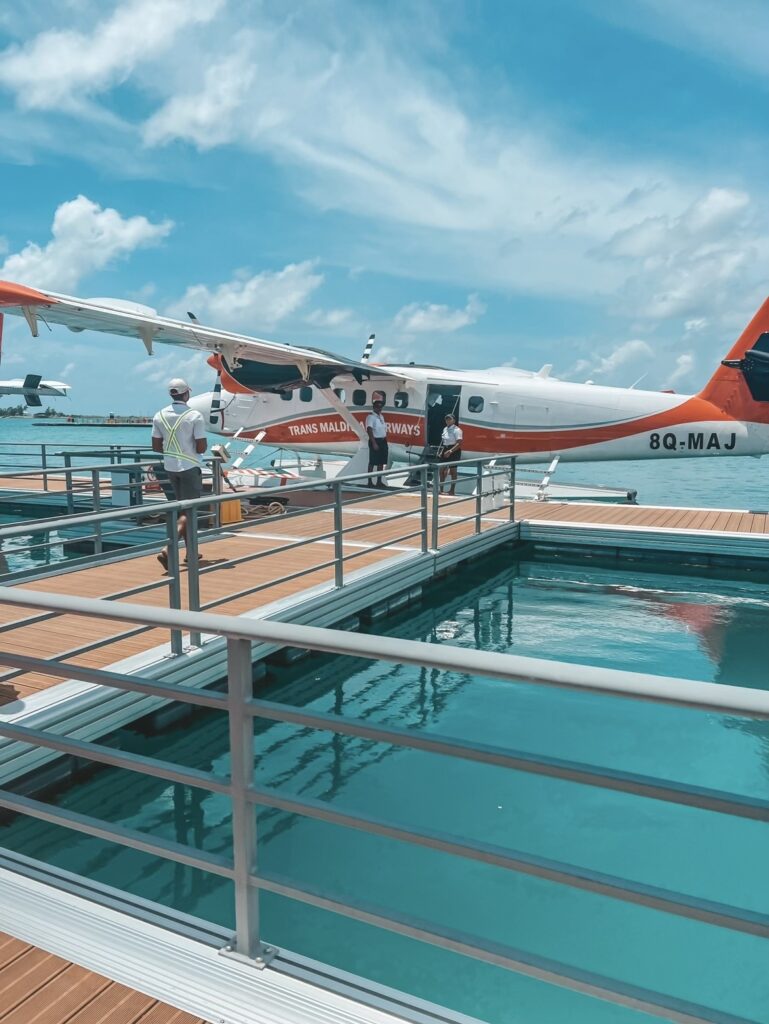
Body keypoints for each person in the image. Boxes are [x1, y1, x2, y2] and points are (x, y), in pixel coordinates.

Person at [152, 378, 207, 571]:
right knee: (189, 513)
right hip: (190, 467)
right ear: (187, 394)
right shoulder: (195, 416)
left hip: (170, 467)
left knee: (183, 511)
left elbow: (156, 446)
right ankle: (168, 549)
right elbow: (201, 446)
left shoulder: (159, 415)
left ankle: (191, 553)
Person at [365, 398, 389, 488]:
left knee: (381, 462)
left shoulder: (381, 416)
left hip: (382, 441)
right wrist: (374, 442)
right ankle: (369, 481)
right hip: (375, 440)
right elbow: (369, 429)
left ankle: (379, 481)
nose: (379, 409)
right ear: (374, 407)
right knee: (372, 462)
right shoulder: (370, 417)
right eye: (378, 407)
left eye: (381, 407)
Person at [439, 413, 463, 495]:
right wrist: (442, 451)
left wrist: (450, 451)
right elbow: (444, 441)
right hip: (445, 448)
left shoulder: (457, 430)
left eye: (450, 419)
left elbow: (459, 443)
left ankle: (452, 490)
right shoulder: (445, 429)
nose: (448, 420)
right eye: (447, 419)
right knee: (441, 470)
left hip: (454, 450)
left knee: (453, 471)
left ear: (454, 420)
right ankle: (441, 489)